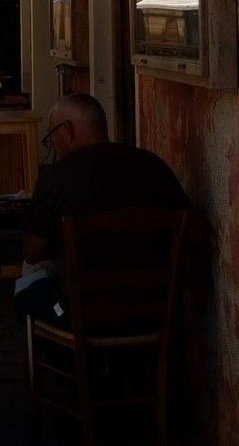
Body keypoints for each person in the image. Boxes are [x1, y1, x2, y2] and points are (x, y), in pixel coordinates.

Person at [16, 92, 189, 324]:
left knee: (27, 287)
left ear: (67, 130)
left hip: (81, 316)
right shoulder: (154, 165)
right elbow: (191, 233)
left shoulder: (56, 176)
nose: (54, 144)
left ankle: (67, 358)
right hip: (154, 311)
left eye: (52, 135)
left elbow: (33, 253)